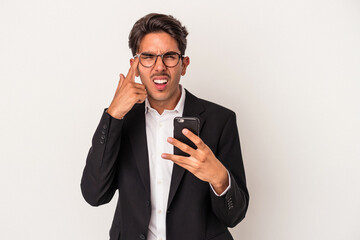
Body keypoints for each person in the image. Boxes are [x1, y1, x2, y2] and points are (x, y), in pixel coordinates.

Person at [81, 13, 249, 240]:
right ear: (135, 65)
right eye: (148, 57)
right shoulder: (121, 120)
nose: (159, 67)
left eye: (170, 56)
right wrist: (113, 114)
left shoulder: (220, 121)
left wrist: (219, 178)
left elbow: (234, 216)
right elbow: (94, 195)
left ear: (184, 64)